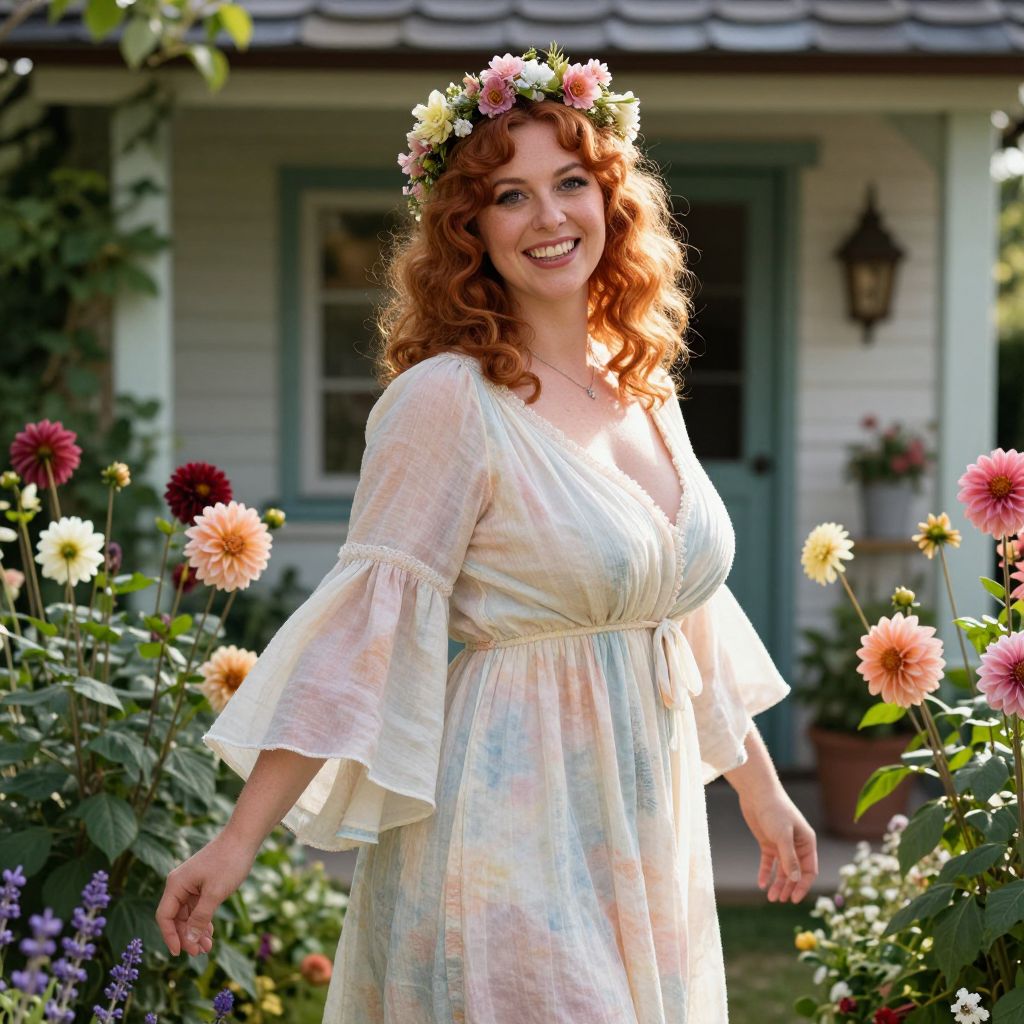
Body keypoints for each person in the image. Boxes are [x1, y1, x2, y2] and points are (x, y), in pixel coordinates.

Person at [156, 44, 818, 1022]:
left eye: (570, 183)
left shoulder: (646, 388)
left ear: (611, 199)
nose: (549, 217)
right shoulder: (447, 401)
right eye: (510, 196)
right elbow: (366, 627)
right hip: (506, 831)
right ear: (468, 229)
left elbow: (679, 613)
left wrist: (758, 788)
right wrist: (236, 840)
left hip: (645, 834)